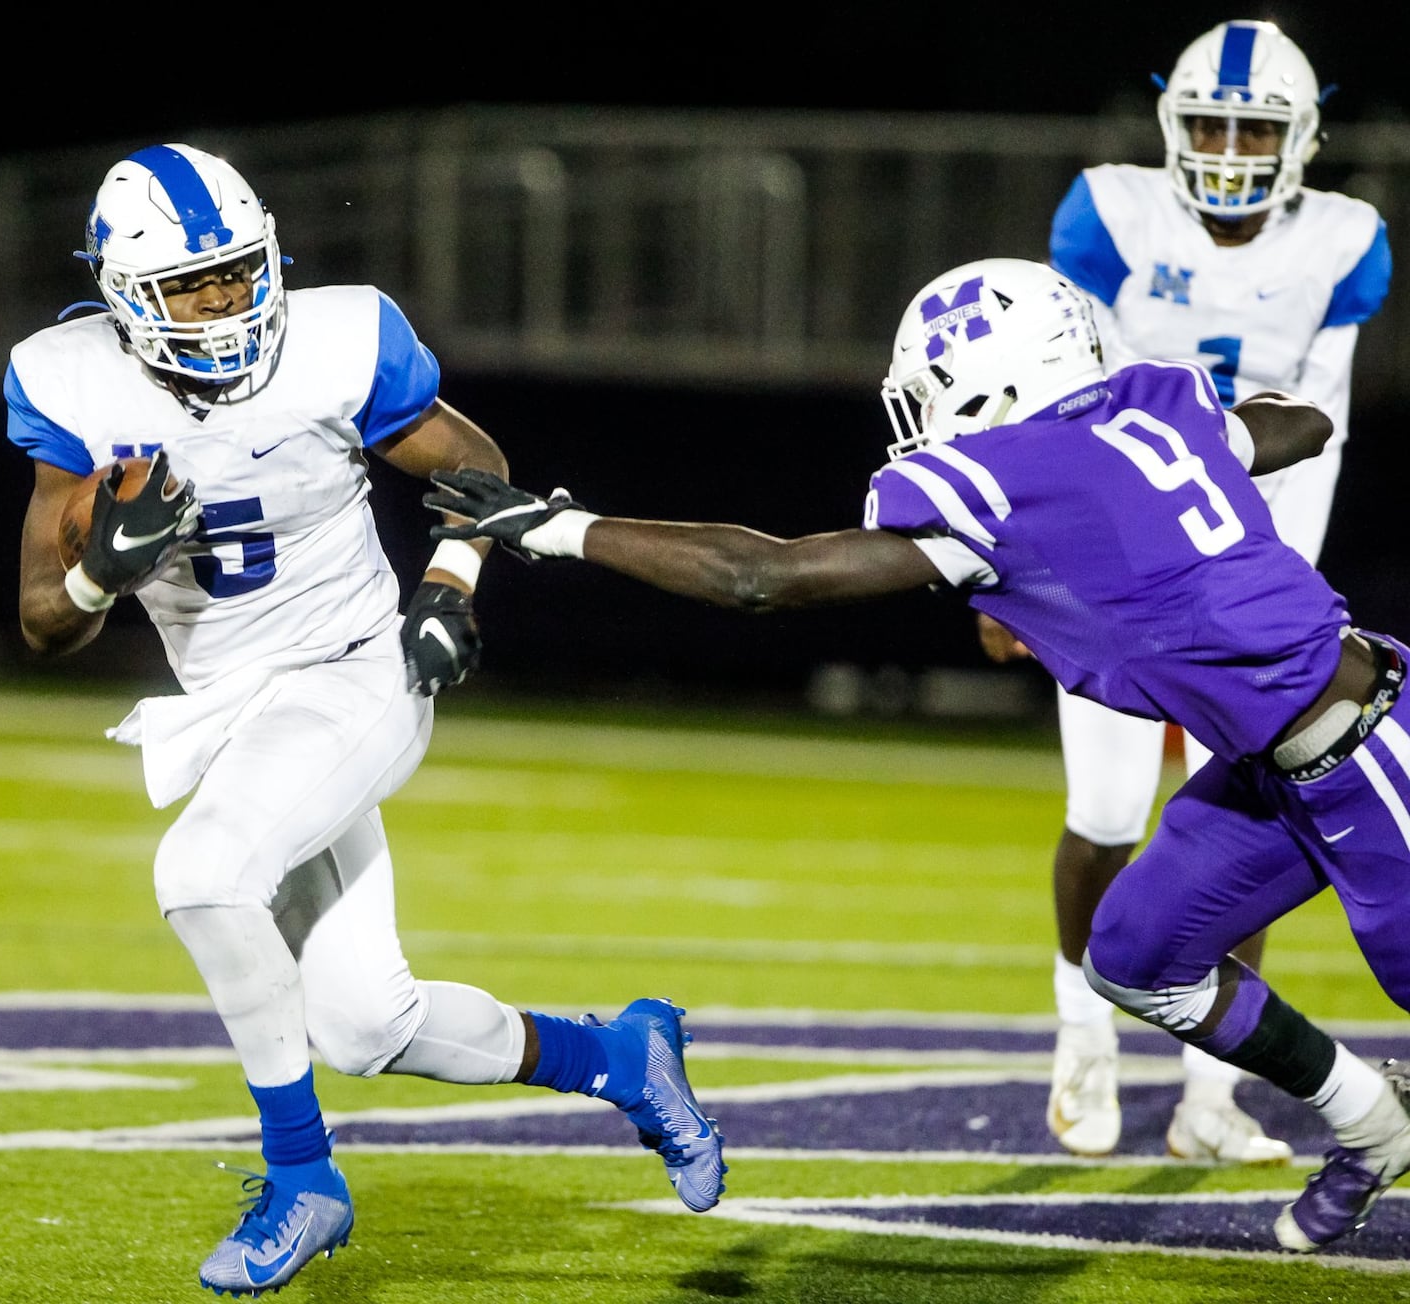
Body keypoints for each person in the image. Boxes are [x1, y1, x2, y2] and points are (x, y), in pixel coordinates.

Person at [425, 256, 1410, 1255]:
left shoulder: (1013, 476)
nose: (920, 419)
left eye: (932, 393)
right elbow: (1297, 425)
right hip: (1266, 766)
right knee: (1134, 957)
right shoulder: (1158, 407)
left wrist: (561, 528)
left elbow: (762, 577)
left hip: (1369, 752)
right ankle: (1372, 1117)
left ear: (1000, 381)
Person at [7, 143, 724, 1296]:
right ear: (126, 297)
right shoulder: (68, 380)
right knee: (364, 1024)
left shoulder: (341, 339)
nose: (226, 303)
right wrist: (99, 570)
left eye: (240, 274)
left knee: (203, 870)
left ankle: (303, 1176)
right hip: (233, 710)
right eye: (193, 286)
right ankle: (623, 1055)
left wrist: (450, 582)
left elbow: (478, 465)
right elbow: (44, 620)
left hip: (356, 668)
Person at [975, 17, 1393, 1167]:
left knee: (1253, 831)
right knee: (1107, 815)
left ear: (1300, 138)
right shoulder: (1112, 211)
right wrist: (1018, 563)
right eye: (1204, 120)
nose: (1222, 146)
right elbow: (1042, 392)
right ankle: (1082, 1035)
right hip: (1123, 557)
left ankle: (1212, 1091)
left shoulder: (1347, 239)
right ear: (1167, 120)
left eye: (1249, 127)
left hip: (1261, 573)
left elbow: (1321, 420)